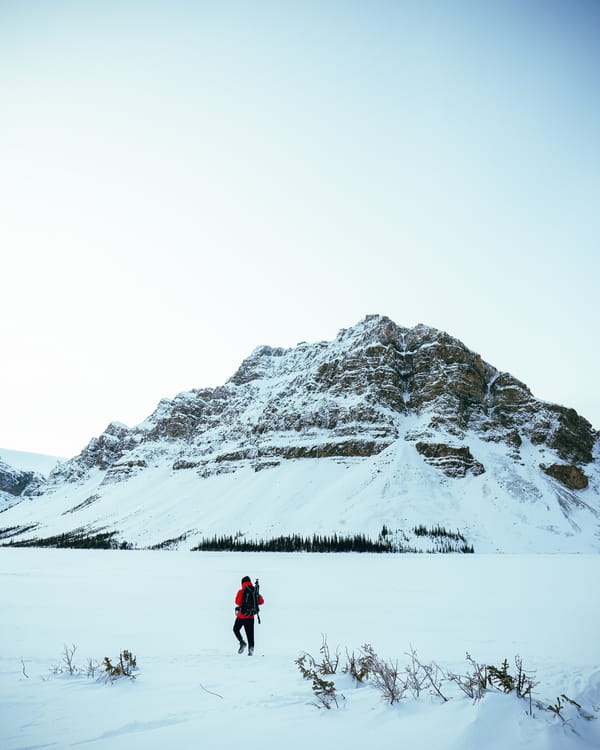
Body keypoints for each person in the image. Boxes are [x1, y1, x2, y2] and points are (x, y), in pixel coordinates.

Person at [233, 575, 264, 656]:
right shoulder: (254, 591)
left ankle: (242, 642)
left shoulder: (241, 591)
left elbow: (237, 602)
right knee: (250, 635)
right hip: (250, 617)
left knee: (235, 629)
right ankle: (251, 650)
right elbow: (261, 601)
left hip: (241, 616)